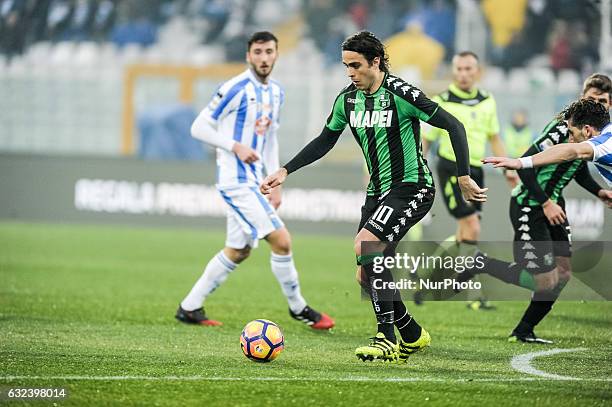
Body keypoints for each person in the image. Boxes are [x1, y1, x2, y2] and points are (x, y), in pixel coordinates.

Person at [260, 31, 486, 362]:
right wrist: (286, 170)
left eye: (355, 65)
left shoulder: (402, 94)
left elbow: (454, 125)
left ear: (375, 62)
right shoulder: (347, 100)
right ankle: (411, 333)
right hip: (378, 191)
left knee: (366, 245)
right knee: (365, 273)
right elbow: (326, 139)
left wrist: (463, 174)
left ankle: (386, 338)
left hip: (412, 186)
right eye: (345, 66)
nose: (350, 73)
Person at [175, 31, 334, 330]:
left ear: (276, 55)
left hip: (255, 180)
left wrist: (276, 181)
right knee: (282, 240)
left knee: (239, 250)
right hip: (235, 181)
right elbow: (198, 127)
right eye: (258, 52)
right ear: (248, 55)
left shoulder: (276, 92)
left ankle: (190, 307)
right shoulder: (234, 88)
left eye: (269, 52)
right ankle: (298, 307)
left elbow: (270, 137)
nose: (263, 58)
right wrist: (234, 146)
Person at [467, 87, 612, 343]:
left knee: (563, 273)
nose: (597, 103)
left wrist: (597, 191)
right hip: (532, 204)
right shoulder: (564, 130)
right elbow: (542, 161)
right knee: (545, 281)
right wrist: (546, 202)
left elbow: (575, 165)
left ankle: (523, 330)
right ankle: (481, 264)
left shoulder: (597, 135)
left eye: (602, 101)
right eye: (592, 98)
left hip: (555, 204)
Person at [421, 51, 516, 310]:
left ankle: (425, 278)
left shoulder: (487, 100)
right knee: (472, 227)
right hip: (451, 169)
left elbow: (494, 137)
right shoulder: (441, 101)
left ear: (478, 71)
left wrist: (508, 167)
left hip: (477, 169)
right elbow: (426, 140)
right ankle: (467, 290)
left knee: (465, 233)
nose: (463, 74)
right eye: (459, 69)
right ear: (453, 72)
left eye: (468, 69)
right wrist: (420, 169)